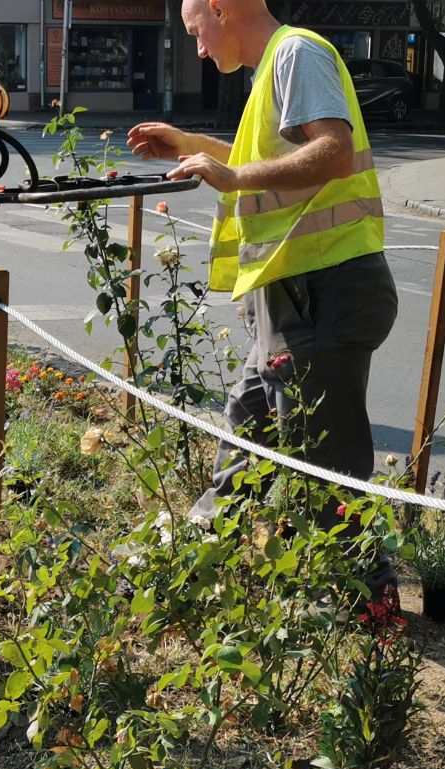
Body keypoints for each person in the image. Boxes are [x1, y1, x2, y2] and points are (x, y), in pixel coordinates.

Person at [126, 0, 397, 538]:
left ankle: (363, 602)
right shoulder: (275, 63)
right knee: (246, 437)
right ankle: (194, 554)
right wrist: (198, 147)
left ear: (220, 9)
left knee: (326, 476)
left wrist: (234, 176)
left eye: (195, 30)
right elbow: (270, 163)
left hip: (321, 289)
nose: (198, 48)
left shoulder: (296, 52)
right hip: (295, 293)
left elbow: (334, 152)